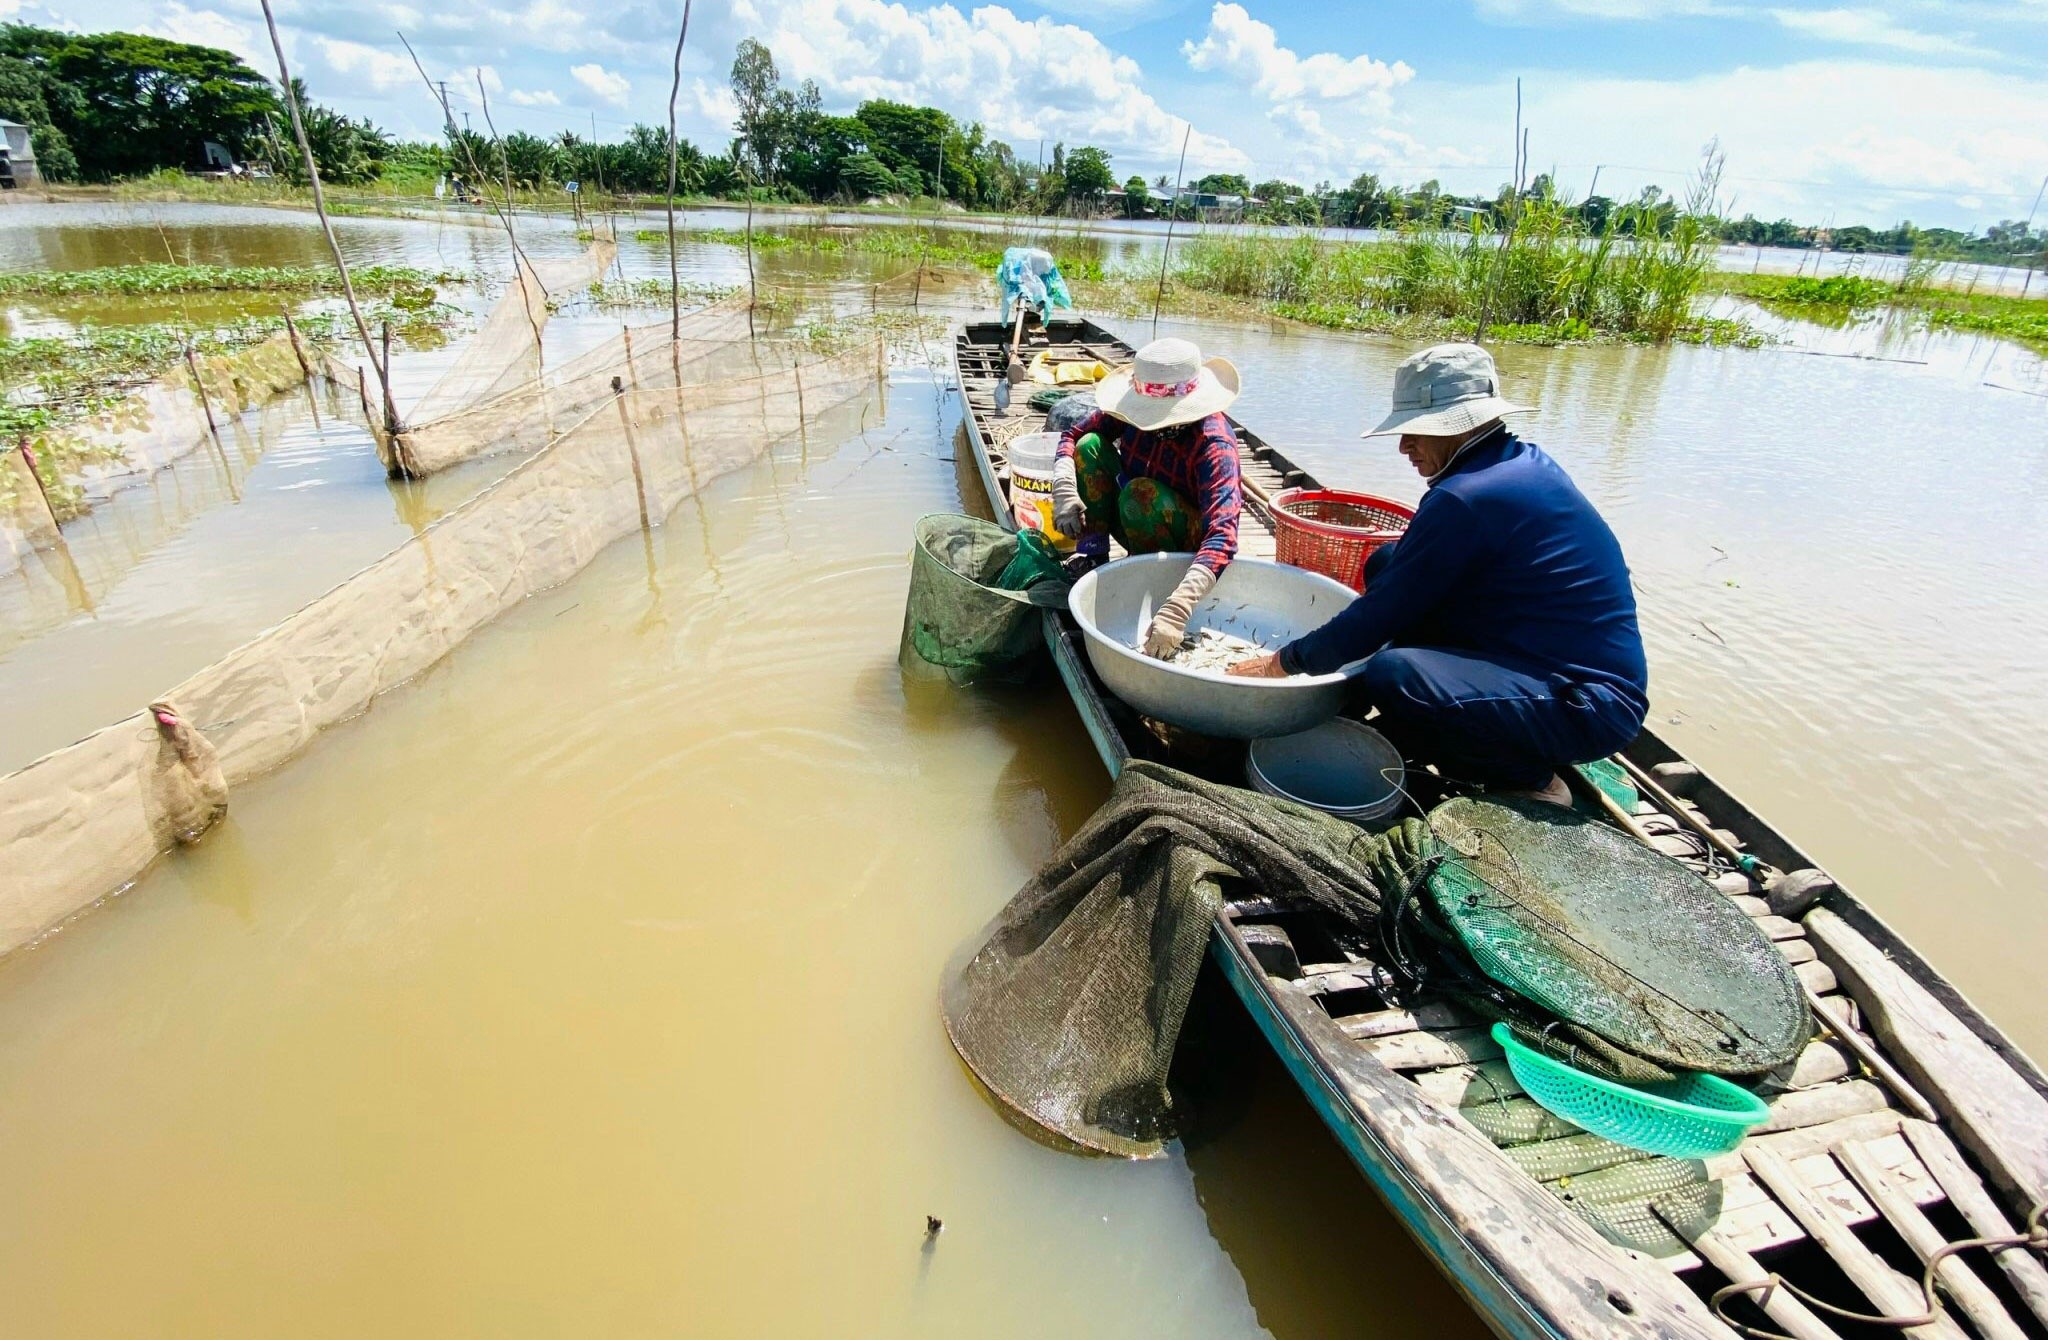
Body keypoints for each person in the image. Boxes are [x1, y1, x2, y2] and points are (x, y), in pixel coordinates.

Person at [1228, 343, 1647, 806]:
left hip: (1586, 705)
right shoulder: (1512, 463)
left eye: (1417, 432)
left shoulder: (1468, 497)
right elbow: (1397, 587)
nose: (1404, 446)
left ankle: (1531, 780)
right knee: (1386, 563)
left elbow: (1379, 616)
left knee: (1395, 673)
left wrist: (1280, 663)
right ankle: (1461, 717)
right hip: (1536, 655)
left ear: (1464, 426)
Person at [1052, 337, 1246, 659]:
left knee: (1139, 494)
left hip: (1182, 541)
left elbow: (1223, 535)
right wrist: (1064, 489)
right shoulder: (1129, 413)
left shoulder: (1214, 443)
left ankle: (1146, 578)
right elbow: (1072, 435)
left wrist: (1178, 608)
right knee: (1090, 446)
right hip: (1133, 510)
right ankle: (1094, 557)